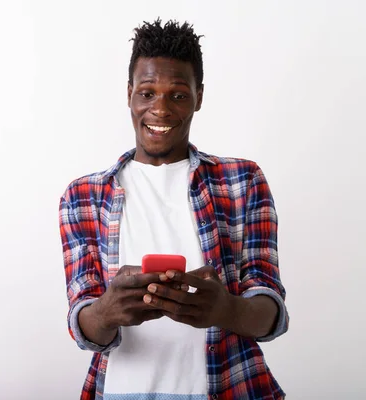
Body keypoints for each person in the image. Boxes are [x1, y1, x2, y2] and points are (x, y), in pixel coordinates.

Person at [58, 18, 289, 400]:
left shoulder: (243, 181)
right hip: (119, 390)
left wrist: (225, 309)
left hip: (229, 387)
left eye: (178, 95)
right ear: (129, 93)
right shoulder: (82, 196)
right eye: (147, 92)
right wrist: (108, 311)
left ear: (199, 95)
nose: (160, 109)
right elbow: (83, 322)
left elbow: (271, 312)